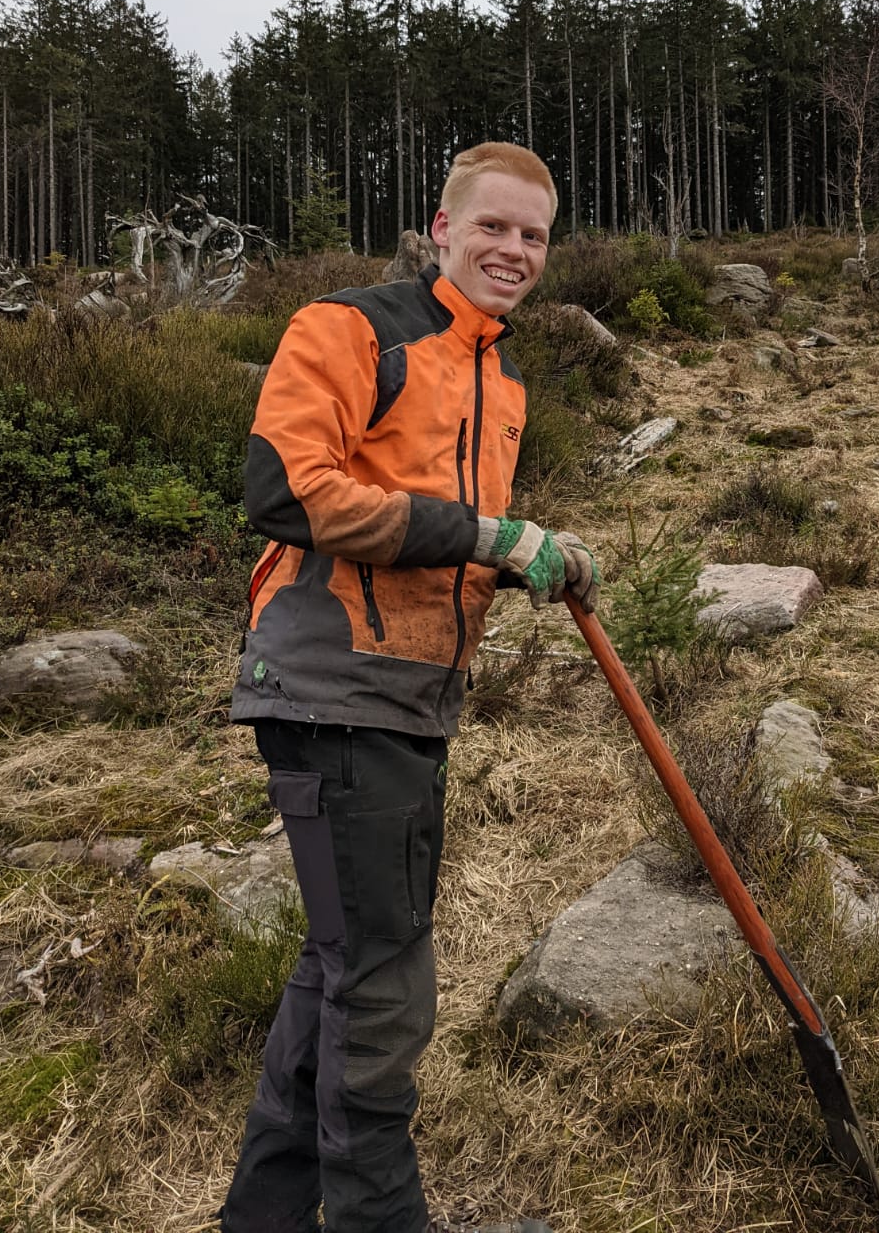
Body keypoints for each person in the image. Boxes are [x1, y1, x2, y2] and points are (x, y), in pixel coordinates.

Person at [218, 142, 597, 1233]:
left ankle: (266, 1216)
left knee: (339, 965)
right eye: (493, 226)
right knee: (383, 985)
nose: (513, 250)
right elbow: (288, 488)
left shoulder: (504, 378)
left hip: (413, 697)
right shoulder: (352, 329)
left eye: (533, 235)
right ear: (442, 227)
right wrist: (487, 533)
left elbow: (443, 534)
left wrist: (532, 556)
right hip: (332, 687)